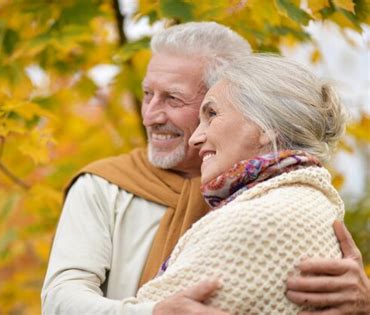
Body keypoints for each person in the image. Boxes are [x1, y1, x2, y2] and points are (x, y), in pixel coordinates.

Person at [41, 22, 370, 315]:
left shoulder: (281, 191)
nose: (150, 116)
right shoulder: (104, 185)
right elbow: (59, 299)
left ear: (236, 101)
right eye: (146, 95)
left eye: (173, 99)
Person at [133, 53, 361, 314]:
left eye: (212, 114)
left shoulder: (260, 218)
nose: (195, 138)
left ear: (265, 126)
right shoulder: (303, 199)